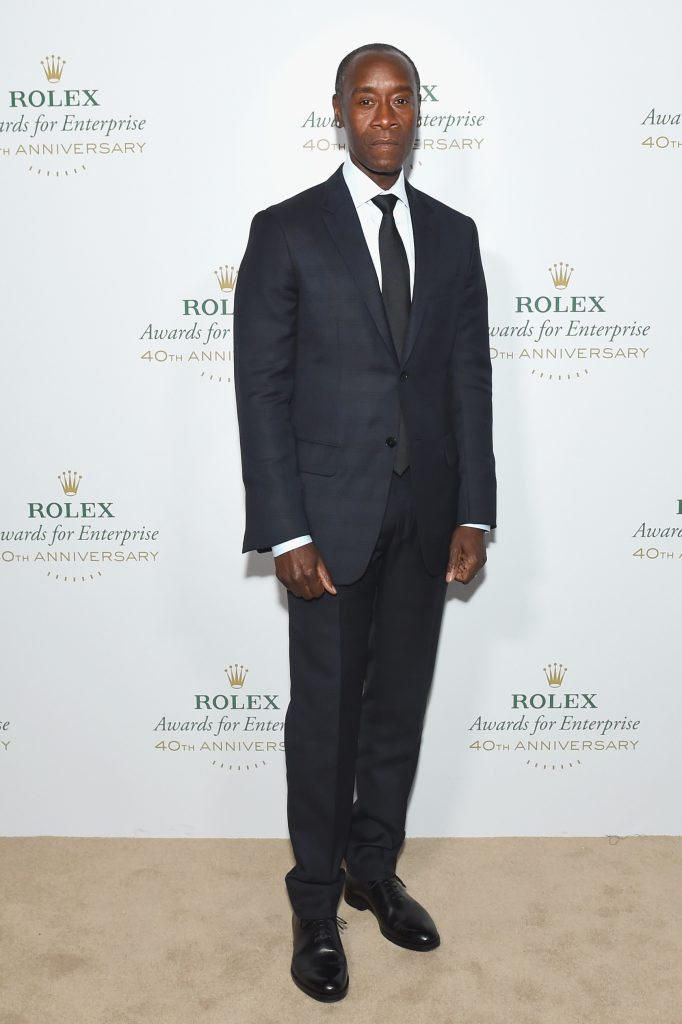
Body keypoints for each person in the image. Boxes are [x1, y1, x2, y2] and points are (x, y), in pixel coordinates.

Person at [233, 42, 496, 1002]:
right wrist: (287, 530)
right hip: (327, 525)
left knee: (396, 709)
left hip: (426, 516)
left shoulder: (456, 234)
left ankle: (372, 870)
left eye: (401, 99)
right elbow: (260, 391)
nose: (385, 116)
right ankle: (314, 902)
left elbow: (469, 379)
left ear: (419, 111)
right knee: (327, 719)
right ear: (339, 111)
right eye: (366, 100)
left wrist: (474, 508)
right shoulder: (286, 231)